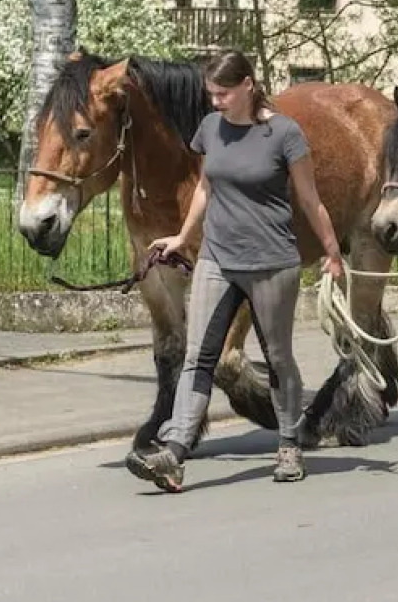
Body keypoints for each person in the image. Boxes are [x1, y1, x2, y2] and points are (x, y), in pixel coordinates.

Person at [125, 50, 344, 492]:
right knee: (198, 358)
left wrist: (332, 251)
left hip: (271, 264)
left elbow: (309, 198)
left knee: (278, 357)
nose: (216, 102)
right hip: (217, 260)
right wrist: (184, 237)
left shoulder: (284, 133)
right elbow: (205, 187)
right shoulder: (210, 130)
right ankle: (175, 451)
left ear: (247, 85)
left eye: (223, 93)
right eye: (211, 94)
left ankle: (287, 445)